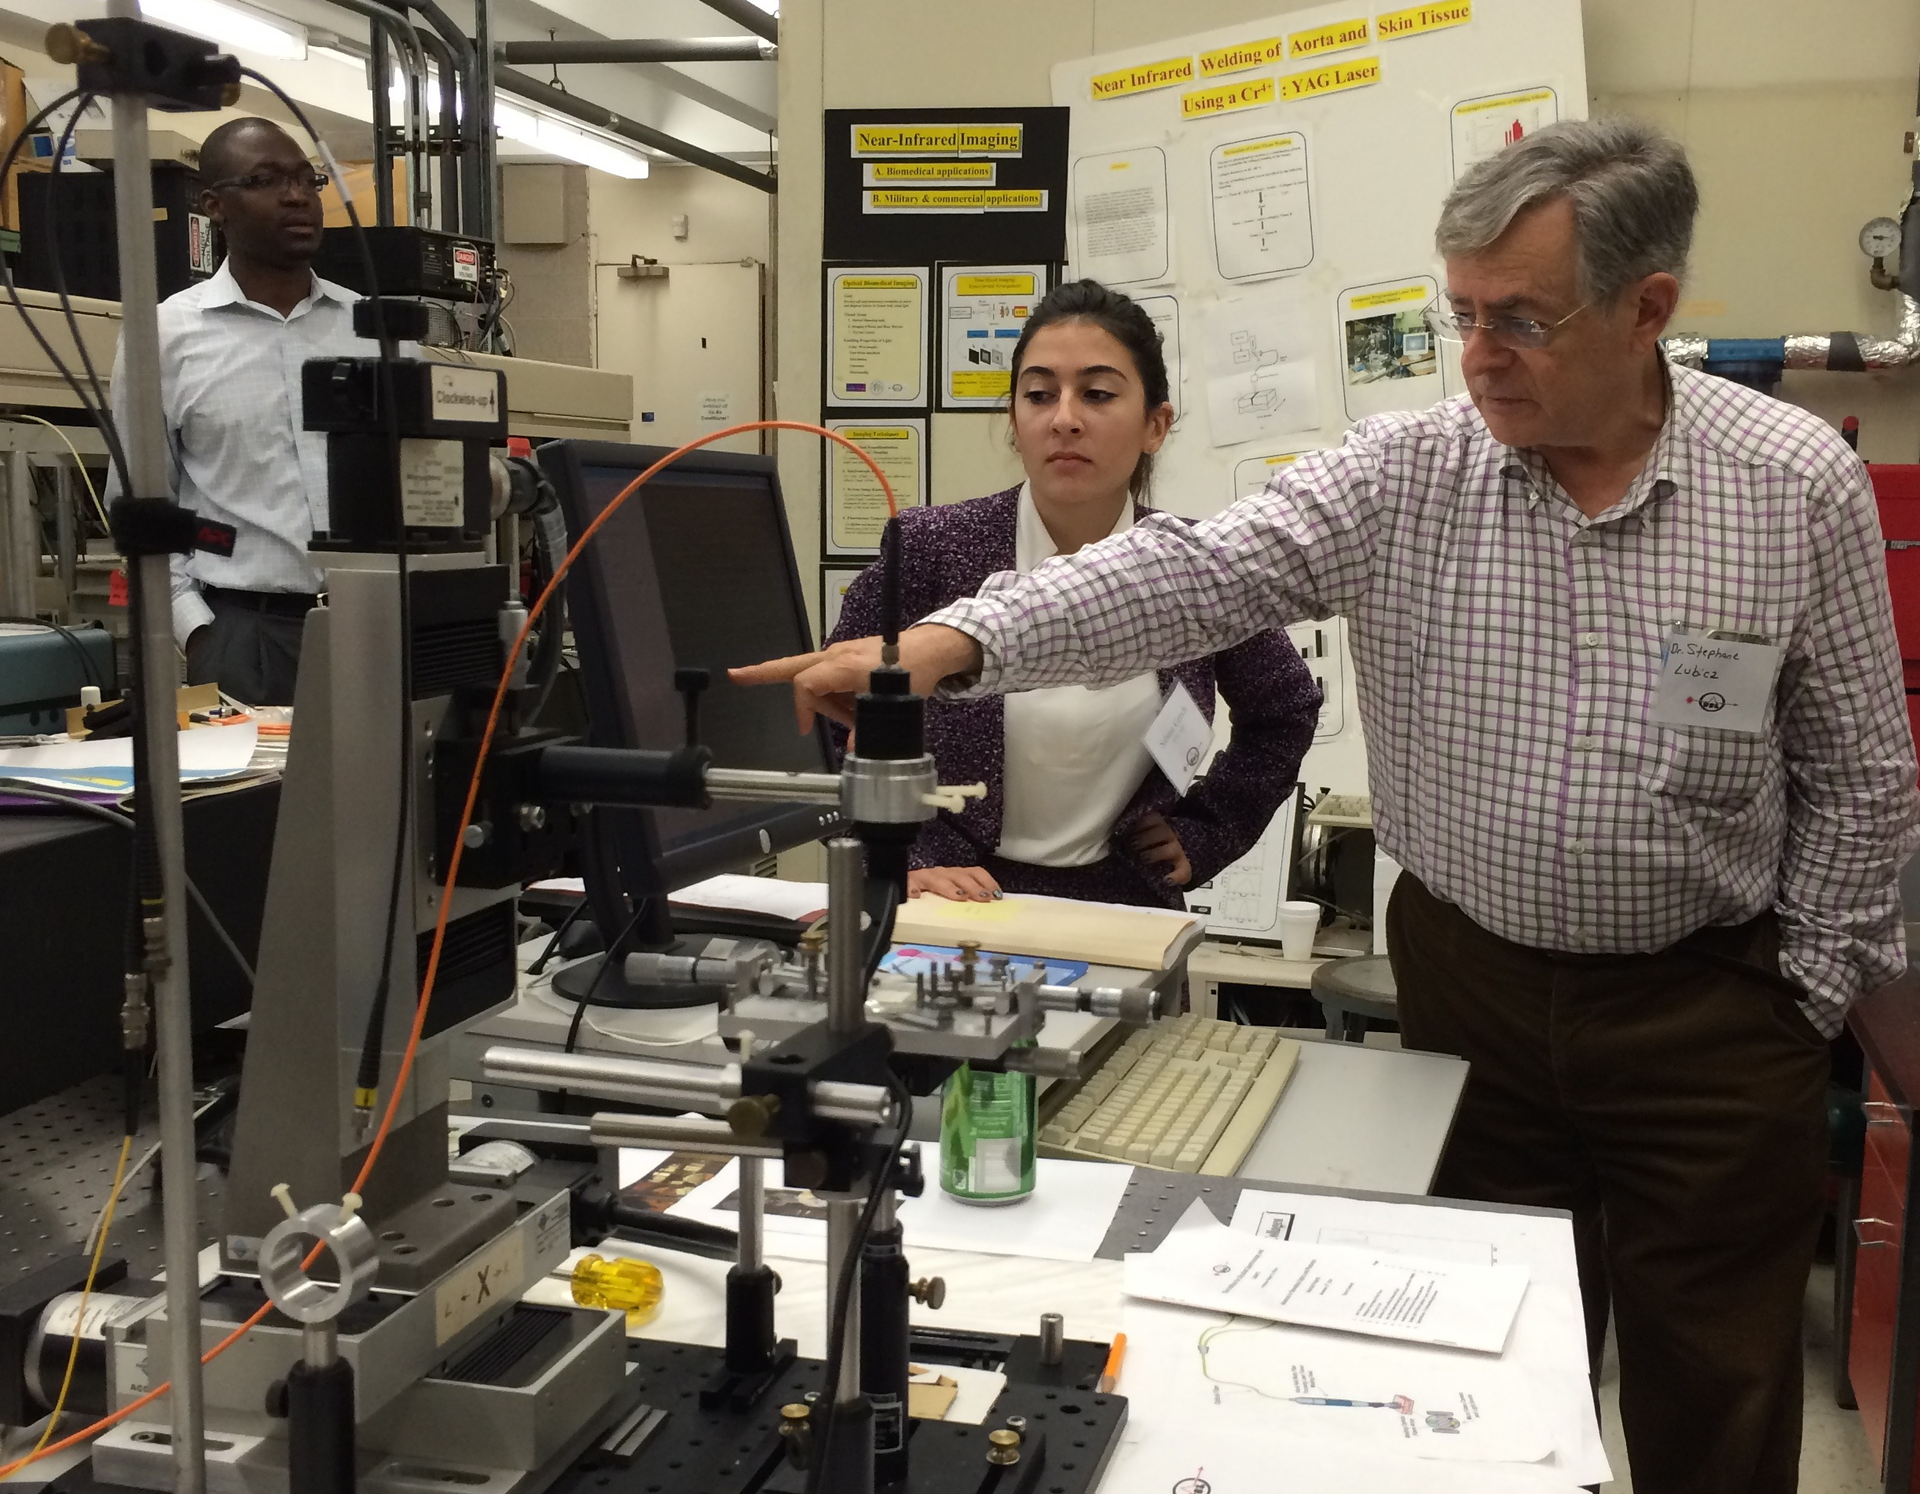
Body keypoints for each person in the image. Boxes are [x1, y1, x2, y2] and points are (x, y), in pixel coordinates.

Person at [741, 119, 1920, 1493]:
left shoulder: (1791, 487)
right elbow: (1187, 569)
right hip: (1473, 989)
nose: (1478, 354)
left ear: (1648, 307)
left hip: (1710, 1011)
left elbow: (1863, 779)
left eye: (1522, 320)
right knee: (1490, 1376)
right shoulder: (1410, 473)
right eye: (1462, 311)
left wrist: (1805, 997)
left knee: (1717, 1388)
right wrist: (947, 643)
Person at [828, 280, 1319, 907]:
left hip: (1122, 901)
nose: (1064, 417)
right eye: (1038, 394)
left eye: (1096, 393)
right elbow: (829, 710)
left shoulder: (1195, 567)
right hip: (951, 900)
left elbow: (1284, 708)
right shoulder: (931, 547)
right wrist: (901, 856)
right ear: (1014, 417)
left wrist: (1208, 832)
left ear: (1155, 425)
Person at [109, 116, 389, 705]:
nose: (296, 196)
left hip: (377, 626)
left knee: (390, 795)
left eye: (305, 179)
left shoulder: (376, 330)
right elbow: (139, 510)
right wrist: (198, 627)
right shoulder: (164, 336)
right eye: (265, 180)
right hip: (243, 633)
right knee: (258, 800)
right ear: (215, 206)